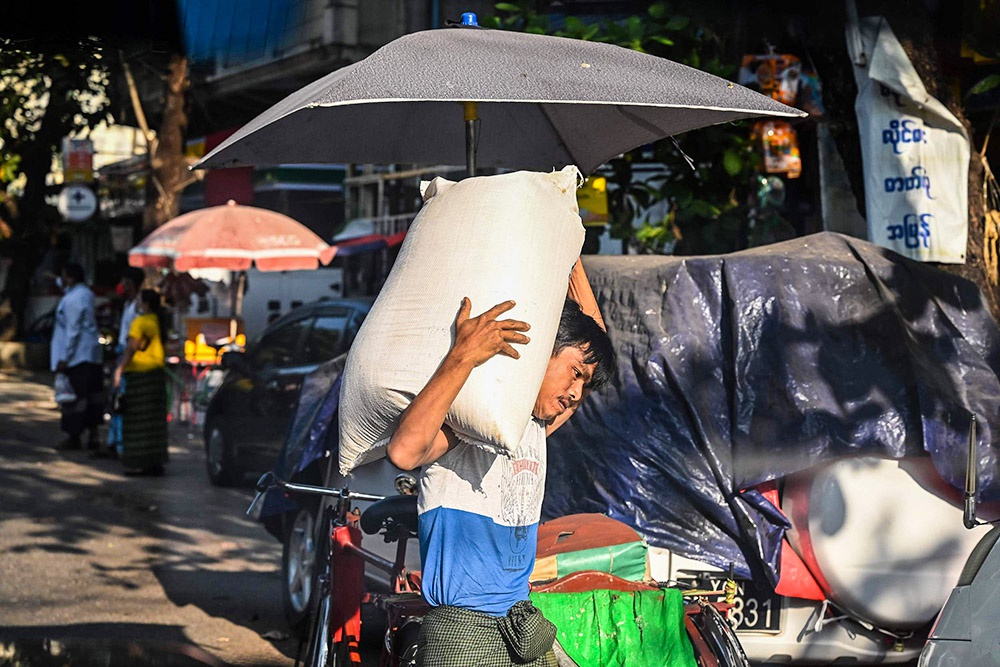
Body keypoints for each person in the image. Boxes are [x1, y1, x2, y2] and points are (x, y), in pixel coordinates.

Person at [388, 295, 615, 667]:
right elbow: (405, 452)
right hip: (464, 636)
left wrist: (570, 253)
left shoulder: (536, 426)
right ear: (543, 350)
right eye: (575, 373)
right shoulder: (475, 423)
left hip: (522, 627)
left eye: (583, 384)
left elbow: (596, 344)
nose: (576, 393)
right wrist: (463, 356)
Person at [112, 289, 170, 476]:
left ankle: (138, 463)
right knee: (154, 423)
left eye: (139, 300)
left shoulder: (141, 322)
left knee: (136, 423)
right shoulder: (158, 321)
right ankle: (155, 463)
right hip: (156, 376)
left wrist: (119, 369)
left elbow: (131, 347)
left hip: (139, 376)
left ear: (145, 304)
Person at [50, 262, 105, 450]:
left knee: (77, 397)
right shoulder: (84, 293)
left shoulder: (75, 299)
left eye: (64, 276)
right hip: (88, 353)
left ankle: (75, 436)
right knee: (92, 396)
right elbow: (61, 283)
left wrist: (65, 357)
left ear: (71, 277)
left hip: (78, 355)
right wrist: (54, 278)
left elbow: (73, 330)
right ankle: (92, 435)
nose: (62, 280)